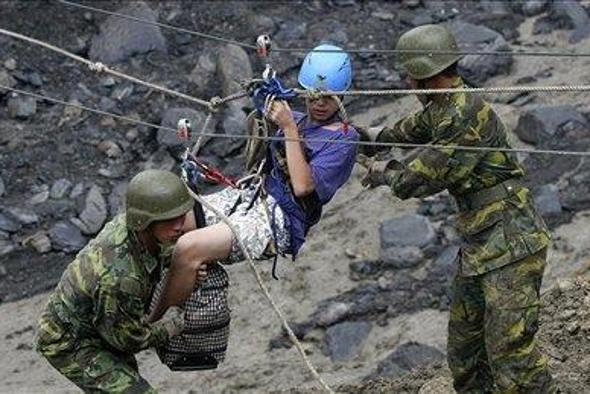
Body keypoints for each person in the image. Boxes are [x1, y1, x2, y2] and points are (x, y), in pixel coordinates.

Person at [359, 24, 555, 393]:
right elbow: (410, 129)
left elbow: (420, 177)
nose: (406, 84)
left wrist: (384, 173)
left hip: (513, 242)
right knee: (466, 354)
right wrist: (368, 136)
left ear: (420, 77)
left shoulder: (465, 115)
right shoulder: (443, 105)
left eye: (408, 76)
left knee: (512, 356)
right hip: (481, 242)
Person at [149, 44, 359, 322]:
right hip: (252, 196)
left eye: (328, 99)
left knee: (189, 247)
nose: (319, 104)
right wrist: (266, 102)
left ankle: (154, 323)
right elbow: (261, 129)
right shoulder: (294, 119)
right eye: (312, 97)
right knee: (168, 219)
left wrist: (288, 129)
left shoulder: (344, 139)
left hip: (282, 220)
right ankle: (145, 291)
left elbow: (303, 187)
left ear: (343, 96)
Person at [35, 169, 208, 392]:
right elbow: (129, 339)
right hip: (70, 342)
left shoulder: (136, 231)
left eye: (181, 215)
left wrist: (181, 263)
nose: (179, 225)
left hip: (102, 325)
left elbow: (152, 254)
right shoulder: (120, 277)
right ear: (145, 221)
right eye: (168, 219)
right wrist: (171, 326)